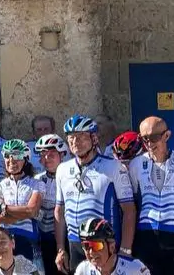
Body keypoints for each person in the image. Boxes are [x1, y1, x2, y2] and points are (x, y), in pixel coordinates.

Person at [54, 116, 135, 274]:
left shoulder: (113, 167)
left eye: (81, 137)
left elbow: (129, 210)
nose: (75, 142)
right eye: (71, 138)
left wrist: (126, 249)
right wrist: (60, 249)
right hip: (75, 244)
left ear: (94, 138)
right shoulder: (62, 169)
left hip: (104, 242)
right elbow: (59, 211)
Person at [128, 116, 174, 275]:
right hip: (145, 235)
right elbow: (134, 203)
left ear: (167, 135)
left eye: (154, 137)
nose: (149, 143)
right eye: (144, 139)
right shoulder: (136, 164)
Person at [0, 139, 45, 264]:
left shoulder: (37, 184)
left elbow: (32, 210)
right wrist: (24, 212)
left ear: (26, 159)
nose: (11, 160)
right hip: (5, 240)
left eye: (16, 156)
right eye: (7, 156)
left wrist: (4, 208)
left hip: (28, 239)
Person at [33, 134, 67, 275]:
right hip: (43, 238)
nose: (46, 159)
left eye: (51, 154)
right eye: (43, 154)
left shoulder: (69, 177)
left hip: (65, 237)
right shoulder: (37, 179)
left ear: (62, 154)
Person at [73, 218, 150, 275]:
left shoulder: (135, 268)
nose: (91, 252)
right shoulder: (83, 270)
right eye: (86, 246)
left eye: (96, 246)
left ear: (112, 247)